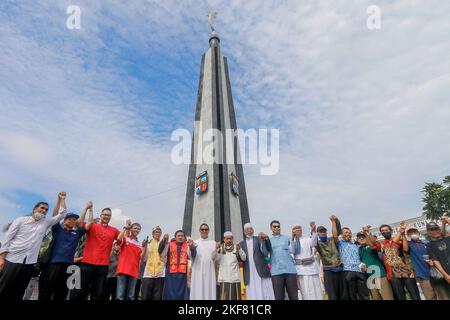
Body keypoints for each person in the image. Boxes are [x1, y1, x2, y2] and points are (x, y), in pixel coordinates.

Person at [0, 192, 67, 300]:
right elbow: (7, 239)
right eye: (42, 208)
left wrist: (61, 199)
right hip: (12, 260)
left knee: (19, 291)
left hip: (29, 263)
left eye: (46, 209)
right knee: (3, 288)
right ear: (35, 208)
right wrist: (1, 258)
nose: (44, 210)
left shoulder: (46, 222)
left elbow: (63, 214)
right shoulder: (20, 220)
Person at [38, 198, 91, 300]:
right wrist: (59, 200)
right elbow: (55, 215)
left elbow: (85, 223)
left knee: (61, 293)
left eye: (74, 219)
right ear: (64, 220)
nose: (73, 220)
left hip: (68, 267)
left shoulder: (77, 234)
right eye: (70, 218)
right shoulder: (58, 229)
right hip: (52, 265)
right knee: (45, 292)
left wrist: (86, 208)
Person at [71, 207, 120, 300]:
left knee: (97, 293)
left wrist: (127, 228)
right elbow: (79, 224)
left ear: (110, 217)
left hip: (102, 267)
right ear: (101, 215)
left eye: (108, 215)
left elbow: (122, 240)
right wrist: (86, 208)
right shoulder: (92, 225)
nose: (106, 216)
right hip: (87, 264)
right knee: (81, 291)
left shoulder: (114, 230)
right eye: (104, 214)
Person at [367, 222, 421, 300]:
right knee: (400, 297)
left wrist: (402, 234)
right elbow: (372, 245)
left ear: (391, 230)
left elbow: (405, 249)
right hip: (393, 274)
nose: (384, 232)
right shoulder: (382, 244)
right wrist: (368, 233)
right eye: (382, 231)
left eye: (386, 230)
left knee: (415, 294)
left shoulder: (399, 240)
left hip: (407, 271)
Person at [331, 216, 370, 300]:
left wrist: (366, 232)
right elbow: (334, 235)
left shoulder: (356, 245)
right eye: (345, 232)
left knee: (364, 295)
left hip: (360, 271)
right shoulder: (340, 243)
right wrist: (333, 222)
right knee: (352, 296)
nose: (348, 234)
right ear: (341, 234)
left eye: (349, 232)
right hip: (347, 271)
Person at [239, 223, 274, 300]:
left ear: (253, 230)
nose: (249, 231)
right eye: (247, 229)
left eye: (251, 229)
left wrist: (266, 238)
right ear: (244, 231)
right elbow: (240, 259)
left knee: (265, 291)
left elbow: (267, 249)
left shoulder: (259, 238)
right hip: (249, 271)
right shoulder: (241, 244)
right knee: (252, 291)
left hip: (260, 269)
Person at [403, 225, 437, 300]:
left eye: (414, 231)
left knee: (441, 294)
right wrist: (403, 235)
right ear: (408, 235)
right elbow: (405, 249)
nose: (413, 233)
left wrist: (432, 261)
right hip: (423, 275)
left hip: (435, 273)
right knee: (430, 297)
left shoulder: (426, 243)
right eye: (410, 233)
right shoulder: (410, 245)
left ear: (418, 232)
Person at [358, 228, 394, 300]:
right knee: (376, 298)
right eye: (359, 238)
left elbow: (374, 243)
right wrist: (362, 266)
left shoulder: (371, 246)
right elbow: (360, 262)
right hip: (370, 277)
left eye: (363, 237)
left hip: (380, 274)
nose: (361, 238)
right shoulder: (359, 249)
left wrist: (367, 233)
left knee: (387, 297)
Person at [315, 219, 345, 300]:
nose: (323, 232)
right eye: (320, 231)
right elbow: (313, 242)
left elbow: (336, 233)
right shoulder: (317, 243)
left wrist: (334, 221)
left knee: (343, 294)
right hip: (328, 271)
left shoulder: (332, 239)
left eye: (324, 231)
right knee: (332, 295)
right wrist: (314, 231)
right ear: (318, 233)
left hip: (339, 268)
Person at [291, 222, 322, 300]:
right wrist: (293, 239)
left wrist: (314, 231)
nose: (298, 229)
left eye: (299, 228)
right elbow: (292, 251)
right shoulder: (291, 241)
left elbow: (314, 243)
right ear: (293, 231)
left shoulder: (307, 239)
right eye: (296, 228)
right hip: (301, 270)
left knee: (316, 289)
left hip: (311, 268)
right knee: (305, 291)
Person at [115, 221, 146, 300]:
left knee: (130, 296)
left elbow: (141, 257)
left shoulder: (139, 244)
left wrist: (145, 247)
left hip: (134, 272)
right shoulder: (125, 239)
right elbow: (118, 239)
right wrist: (125, 228)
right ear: (131, 229)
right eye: (135, 228)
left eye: (139, 229)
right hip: (123, 270)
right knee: (120, 295)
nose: (137, 230)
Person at [268, 220, 298, 300]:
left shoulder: (287, 238)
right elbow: (265, 253)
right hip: (276, 272)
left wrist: (293, 238)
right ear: (271, 228)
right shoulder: (269, 240)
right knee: (278, 297)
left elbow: (293, 250)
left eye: (278, 226)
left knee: (294, 296)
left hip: (290, 270)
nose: (277, 228)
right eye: (274, 226)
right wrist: (263, 241)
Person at [159, 230, 193, 300]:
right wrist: (163, 241)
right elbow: (161, 252)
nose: (180, 237)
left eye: (182, 236)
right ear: (175, 237)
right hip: (171, 275)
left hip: (183, 276)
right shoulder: (169, 245)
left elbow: (193, 256)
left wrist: (192, 247)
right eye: (178, 236)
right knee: (169, 294)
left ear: (184, 237)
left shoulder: (188, 246)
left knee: (183, 294)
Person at [214, 231, 246, 300]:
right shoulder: (221, 248)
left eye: (230, 239)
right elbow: (214, 258)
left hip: (235, 279)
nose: (229, 240)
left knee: (236, 298)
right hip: (224, 278)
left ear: (233, 239)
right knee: (224, 298)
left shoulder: (236, 247)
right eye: (227, 239)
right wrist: (216, 249)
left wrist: (239, 250)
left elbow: (244, 258)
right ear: (224, 239)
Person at [189, 223, 217, 300]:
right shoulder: (194, 242)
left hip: (209, 271)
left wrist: (217, 249)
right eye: (202, 229)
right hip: (197, 270)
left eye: (206, 229)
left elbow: (217, 258)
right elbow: (191, 256)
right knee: (197, 289)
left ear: (208, 231)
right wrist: (191, 248)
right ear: (199, 231)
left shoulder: (213, 243)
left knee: (209, 289)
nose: (204, 231)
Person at [426, 220, 450, 300]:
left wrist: (445, 222)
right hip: (448, 273)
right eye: (431, 229)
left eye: (436, 228)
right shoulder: (430, 246)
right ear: (428, 232)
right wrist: (445, 275)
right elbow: (436, 261)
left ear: (439, 229)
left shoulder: (448, 239)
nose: (435, 231)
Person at [142, 226, 165, 300]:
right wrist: (144, 246)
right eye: (156, 232)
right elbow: (143, 258)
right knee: (146, 296)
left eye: (159, 232)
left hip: (160, 274)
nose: (158, 234)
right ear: (152, 233)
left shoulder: (163, 245)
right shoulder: (148, 244)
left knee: (158, 297)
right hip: (148, 274)